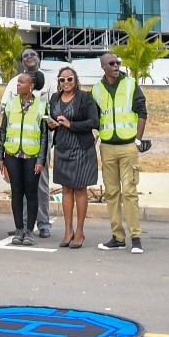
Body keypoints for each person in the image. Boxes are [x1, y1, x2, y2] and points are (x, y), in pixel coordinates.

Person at [93, 49, 151, 254]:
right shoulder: (96, 89)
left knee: (129, 192)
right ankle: (117, 237)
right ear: (103, 67)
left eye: (117, 63)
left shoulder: (130, 84)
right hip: (107, 147)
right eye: (111, 64)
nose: (116, 66)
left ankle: (136, 237)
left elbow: (142, 112)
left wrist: (137, 140)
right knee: (111, 193)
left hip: (127, 146)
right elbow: (95, 118)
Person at [46, 65, 99, 249]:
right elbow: (51, 119)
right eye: (62, 79)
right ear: (59, 83)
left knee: (80, 189)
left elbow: (94, 121)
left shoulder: (85, 98)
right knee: (66, 189)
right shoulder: (54, 98)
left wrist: (71, 124)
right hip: (62, 148)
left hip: (81, 149)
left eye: (70, 79)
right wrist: (51, 125)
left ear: (76, 80)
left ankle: (80, 231)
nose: (66, 82)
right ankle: (67, 231)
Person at [2, 46, 52, 237]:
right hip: (16, 145)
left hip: (38, 141)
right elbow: (6, 108)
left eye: (32, 54)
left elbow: (52, 107)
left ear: (39, 58)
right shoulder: (14, 81)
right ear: (22, 62)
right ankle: (22, 225)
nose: (29, 57)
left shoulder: (48, 80)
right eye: (25, 56)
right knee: (19, 186)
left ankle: (43, 223)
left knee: (40, 184)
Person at [0, 70, 47, 245]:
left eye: (21, 83)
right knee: (16, 193)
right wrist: (0, 155)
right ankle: (19, 229)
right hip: (12, 153)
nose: (18, 85)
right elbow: (3, 129)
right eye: (17, 82)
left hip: (31, 155)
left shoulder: (41, 105)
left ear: (31, 85)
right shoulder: (11, 104)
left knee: (31, 193)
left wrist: (41, 159)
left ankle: (29, 231)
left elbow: (44, 136)